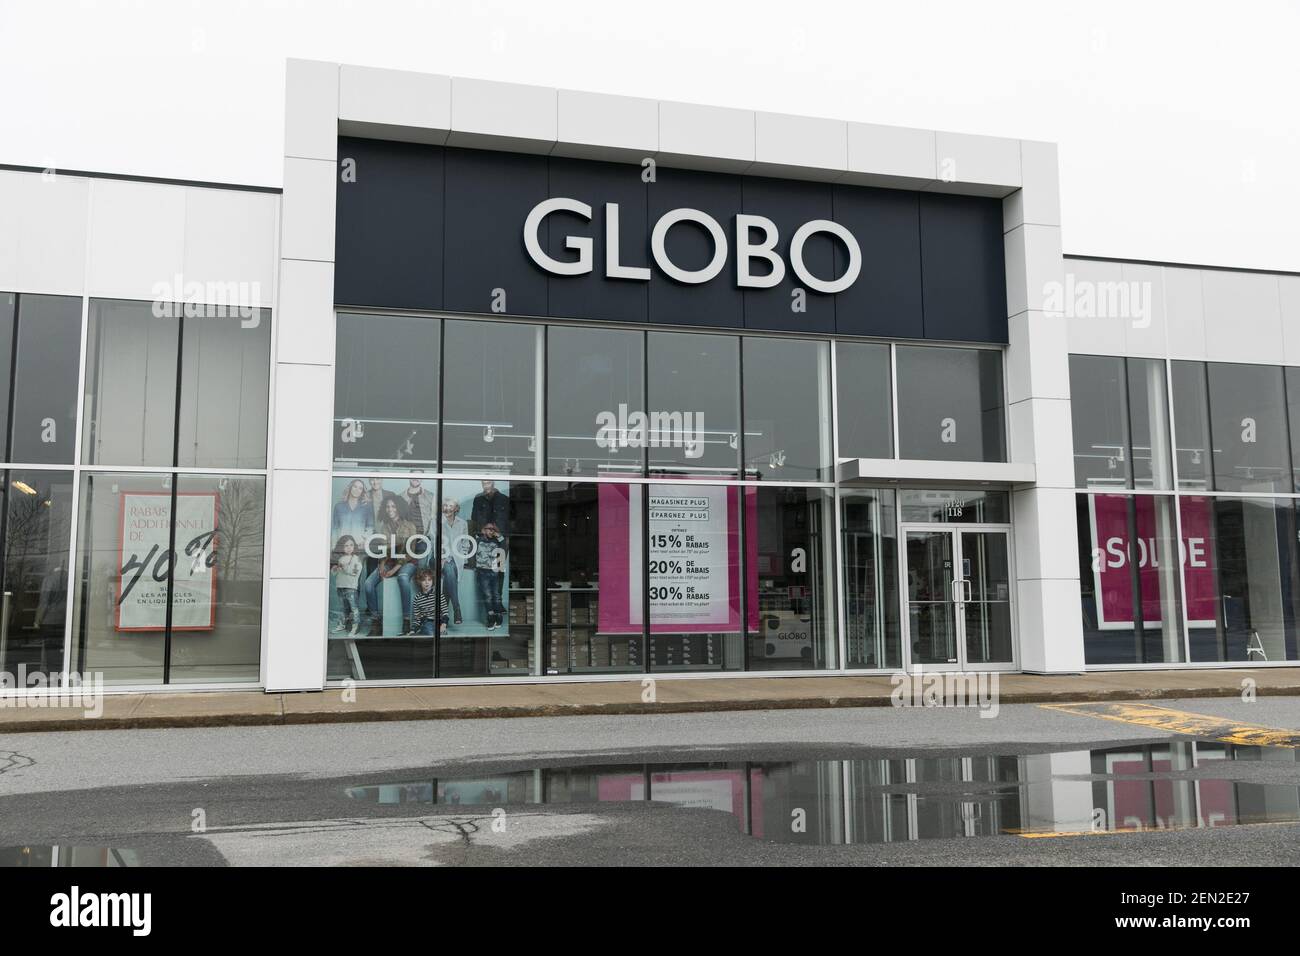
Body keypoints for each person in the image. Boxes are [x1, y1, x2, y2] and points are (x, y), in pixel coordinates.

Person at [363, 497, 419, 635]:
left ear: (399, 508)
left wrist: (394, 569)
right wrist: (382, 565)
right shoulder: (385, 527)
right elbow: (384, 549)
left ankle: (407, 619)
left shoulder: (410, 526)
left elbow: (410, 552)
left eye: (393, 506)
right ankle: (376, 620)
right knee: (368, 583)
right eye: (388, 507)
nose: (390, 510)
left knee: (403, 578)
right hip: (388, 562)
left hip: (407, 562)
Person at [471, 521, 507, 630]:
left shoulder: (497, 541)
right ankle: (491, 617)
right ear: (483, 529)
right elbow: (471, 552)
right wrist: (474, 566)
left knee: (496, 594)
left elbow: (504, 546)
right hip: (482, 571)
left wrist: (498, 535)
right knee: (487, 595)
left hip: (495, 571)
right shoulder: (478, 540)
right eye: (488, 529)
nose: (491, 531)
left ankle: (498, 616)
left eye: (493, 529)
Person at [439, 496, 468, 625]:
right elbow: (434, 542)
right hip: (438, 559)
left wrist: (463, 558)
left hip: (457, 559)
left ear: (456, 508)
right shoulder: (436, 522)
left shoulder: (462, 523)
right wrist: (442, 557)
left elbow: (465, 542)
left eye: (451, 506)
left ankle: (443, 616)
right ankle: (457, 609)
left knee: (449, 573)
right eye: (445, 505)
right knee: (449, 568)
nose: (447, 508)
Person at [330, 535, 363, 634]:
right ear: (341, 547)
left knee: (354, 608)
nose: (349, 548)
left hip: (351, 587)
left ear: (354, 546)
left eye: (351, 545)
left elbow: (354, 572)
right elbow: (333, 573)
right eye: (346, 546)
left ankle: (355, 626)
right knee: (343, 608)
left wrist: (343, 567)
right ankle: (342, 624)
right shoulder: (340, 559)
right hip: (340, 586)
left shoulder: (356, 559)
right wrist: (335, 568)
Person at [400, 478, 437, 564]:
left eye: (419, 475)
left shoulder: (431, 496)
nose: (416, 478)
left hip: (423, 540)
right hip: (406, 540)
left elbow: (434, 517)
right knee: (405, 568)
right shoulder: (401, 496)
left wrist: (429, 535)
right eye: (414, 475)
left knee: (421, 569)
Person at [408, 567, 450, 636]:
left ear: (432, 581)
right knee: (428, 628)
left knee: (441, 634)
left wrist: (444, 625)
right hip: (426, 622)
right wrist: (413, 630)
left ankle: (422, 635)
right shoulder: (417, 598)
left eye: (429, 580)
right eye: (424, 580)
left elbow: (445, 612)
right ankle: (422, 634)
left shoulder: (438, 594)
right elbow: (417, 618)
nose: (427, 582)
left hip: (439, 622)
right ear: (419, 582)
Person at [331, 479, 372, 544]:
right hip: (342, 545)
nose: (357, 490)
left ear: (362, 491)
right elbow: (335, 528)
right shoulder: (338, 506)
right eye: (355, 486)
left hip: (359, 545)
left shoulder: (366, 507)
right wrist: (334, 545)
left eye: (360, 488)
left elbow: (370, 527)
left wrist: (364, 540)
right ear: (350, 487)